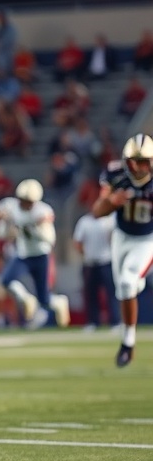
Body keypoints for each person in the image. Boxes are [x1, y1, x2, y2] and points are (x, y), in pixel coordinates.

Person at [91, 134, 153, 367]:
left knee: (128, 282)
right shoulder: (116, 176)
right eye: (134, 161)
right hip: (121, 236)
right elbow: (97, 212)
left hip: (148, 238)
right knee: (124, 289)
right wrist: (111, 202)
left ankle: (128, 343)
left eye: (144, 161)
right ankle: (137, 281)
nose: (139, 167)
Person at [0, 179, 70, 330]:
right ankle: (26, 299)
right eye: (23, 200)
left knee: (44, 300)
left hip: (41, 255)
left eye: (29, 201)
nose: (25, 204)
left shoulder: (43, 211)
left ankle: (60, 302)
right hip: (23, 254)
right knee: (6, 280)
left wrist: (34, 228)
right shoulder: (12, 206)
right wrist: (4, 219)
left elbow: (50, 239)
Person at [73, 207, 119, 332]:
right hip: (90, 263)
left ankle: (115, 321)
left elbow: (115, 239)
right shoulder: (84, 222)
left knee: (111, 293)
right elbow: (77, 242)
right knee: (90, 294)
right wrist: (86, 254)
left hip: (106, 261)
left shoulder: (109, 221)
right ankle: (93, 321)